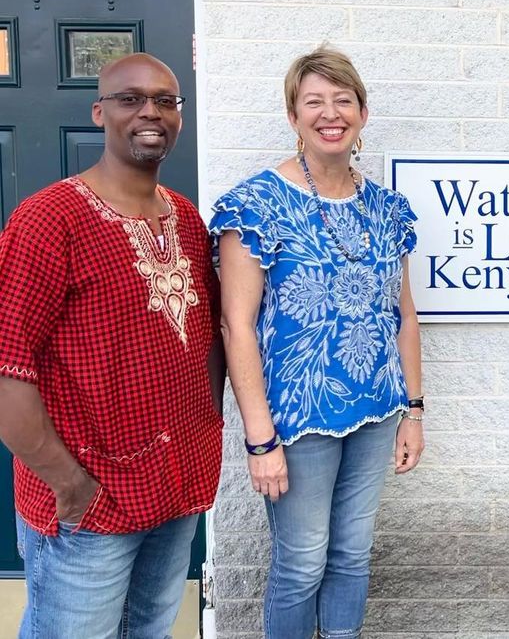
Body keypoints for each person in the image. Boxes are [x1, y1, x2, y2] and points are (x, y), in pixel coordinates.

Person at [0, 53, 225, 638]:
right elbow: (7, 367)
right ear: (100, 112)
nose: (150, 112)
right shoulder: (49, 220)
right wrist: (67, 481)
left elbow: (205, 340)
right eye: (131, 99)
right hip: (90, 500)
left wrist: (206, 440)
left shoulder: (185, 218)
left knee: (149, 630)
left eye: (165, 101)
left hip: (175, 490)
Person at [211, 45, 424, 639]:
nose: (330, 113)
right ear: (293, 114)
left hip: (378, 410)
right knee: (301, 564)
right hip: (297, 420)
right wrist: (259, 439)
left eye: (343, 100)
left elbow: (402, 313)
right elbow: (237, 326)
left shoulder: (387, 208)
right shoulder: (256, 206)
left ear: (362, 112)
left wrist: (414, 409)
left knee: (352, 556)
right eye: (314, 102)